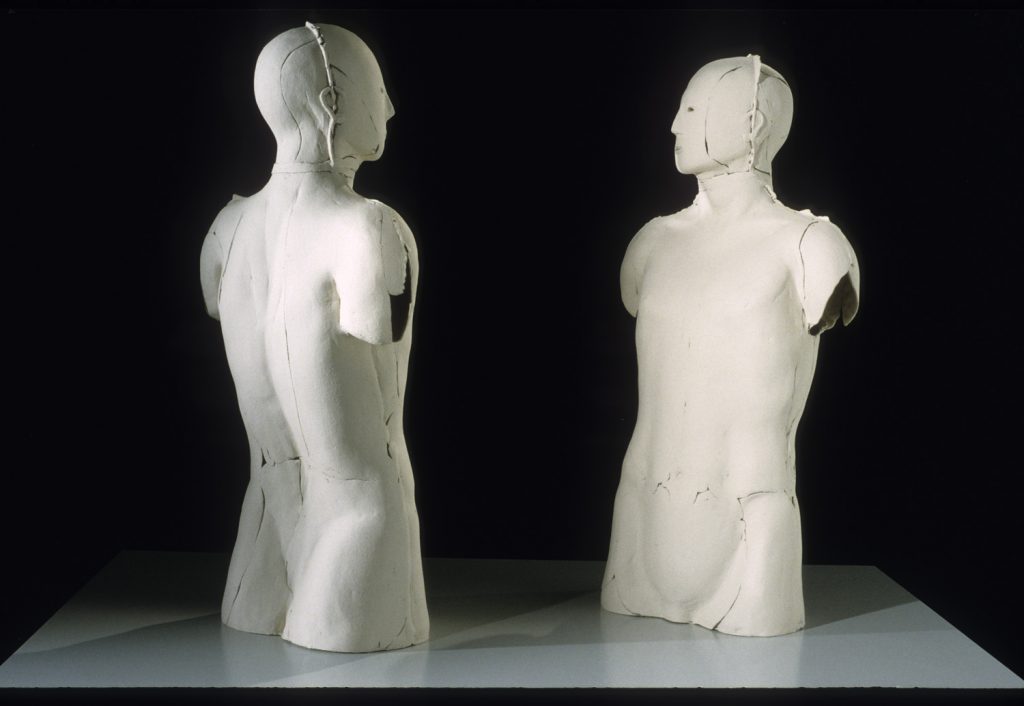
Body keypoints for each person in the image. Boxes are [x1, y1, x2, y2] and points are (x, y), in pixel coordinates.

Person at [601, 56, 859, 636]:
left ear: (753, 124)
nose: (674, 124)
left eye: (692, 108)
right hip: (641, 517)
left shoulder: (810, 247)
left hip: (750, 525)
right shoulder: (651, 244)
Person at [199, 22, 428, 652]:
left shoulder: (225, 229)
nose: (390, 107)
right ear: (332, 103)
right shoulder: (368, 229)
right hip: (357, 524)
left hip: (264, 531)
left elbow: (223, 312)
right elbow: (380, 334)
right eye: (378, 89)